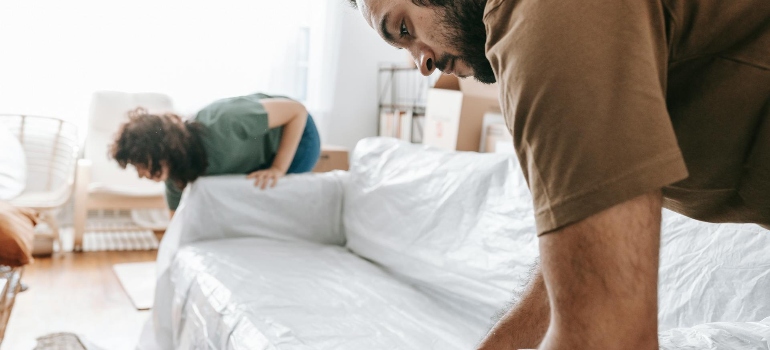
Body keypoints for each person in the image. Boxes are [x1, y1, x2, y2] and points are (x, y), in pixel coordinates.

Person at [347, 0, 770, 349]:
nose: (421, 63)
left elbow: (605, 336)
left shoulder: (540, 15)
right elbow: (586, 263)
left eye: (403, 29)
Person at [111, 93, 321, 217]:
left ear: (163, 151)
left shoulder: (224, 121)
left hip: (298, 135)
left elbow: (296, 111)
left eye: (140, 163)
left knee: (271, 204)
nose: (140, 174)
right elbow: (176, 227)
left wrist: (277, 169)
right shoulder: (176, 177)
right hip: (258, 155)